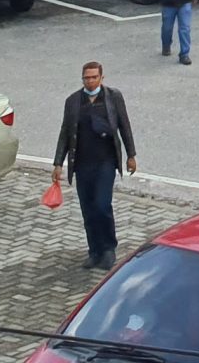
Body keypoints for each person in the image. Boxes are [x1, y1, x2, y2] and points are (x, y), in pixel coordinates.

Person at [51, 61, 137, 269]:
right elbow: (65, 132)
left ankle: (108, 248)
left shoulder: (113, 97)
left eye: (93, 77)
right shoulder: (73, 101)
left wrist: (131, 155)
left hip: (105, 163)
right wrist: (58, 163)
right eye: (86, 78)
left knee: (101, 205)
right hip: (82, 164)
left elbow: (124, 126)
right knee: (88, 208)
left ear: (101, 78)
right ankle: (94, 250)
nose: (90, 81)